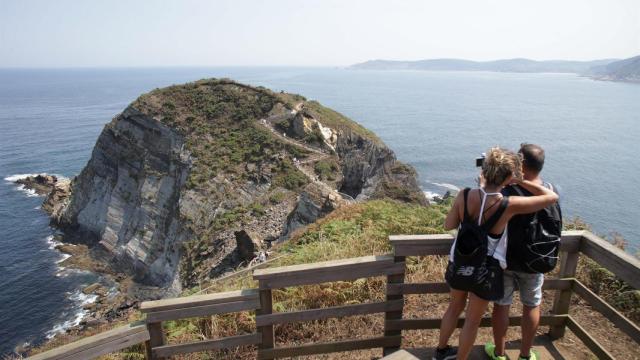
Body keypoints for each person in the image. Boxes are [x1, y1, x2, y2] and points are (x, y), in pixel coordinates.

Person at [433, 147, 559, 360]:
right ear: (508, 176)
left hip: (460, 262)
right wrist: (520, 181)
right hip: (485, 270)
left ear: (485, 170)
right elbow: (552, 197)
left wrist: (480, 189)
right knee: (472, 321)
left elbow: (449, 224)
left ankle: (441, 351)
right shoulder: (508, 204)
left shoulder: (464, 195)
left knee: (453, 309)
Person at [485, 143, 561, 360]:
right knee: (532, 304)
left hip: (506, 260)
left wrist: (512, 179)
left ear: (521, 163)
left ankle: (499, 354)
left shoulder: (507, 190)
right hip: (536, 259)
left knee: (501, 305)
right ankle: (526, 355)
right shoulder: (553, 189)